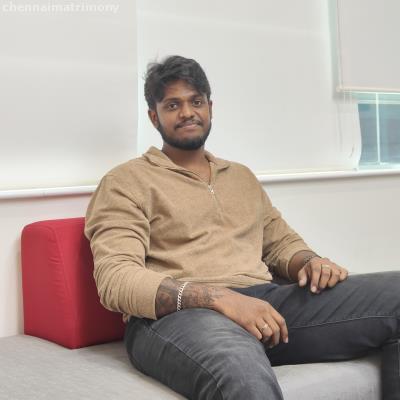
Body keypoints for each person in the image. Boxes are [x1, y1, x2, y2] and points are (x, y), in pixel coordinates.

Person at [84, 55, 400, 399]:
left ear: (210, 108)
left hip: (265, 303)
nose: (187, 112)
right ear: (153, 116)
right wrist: (220, 299)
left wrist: (311, 262)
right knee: (241, 374)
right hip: (180, 317)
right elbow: (116, 279)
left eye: (196, 101)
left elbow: (281, 244)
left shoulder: (240, 177)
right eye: (173, 105)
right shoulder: (126, 181)